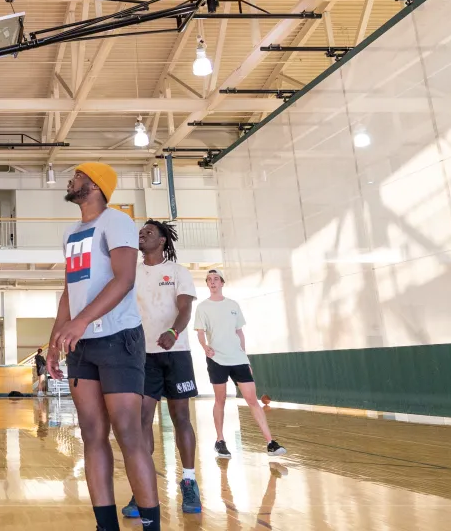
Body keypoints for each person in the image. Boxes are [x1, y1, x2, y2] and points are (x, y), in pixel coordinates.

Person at [47, 163, 160, 531]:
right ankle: (105, 525)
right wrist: (54, 341)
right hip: (82, 345)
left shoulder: (117, 222)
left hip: (118, 338)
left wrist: (81, 321)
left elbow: (125, 280)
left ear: (94, 185)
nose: (71, 180)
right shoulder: (71, 233)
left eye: (78, 175)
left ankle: (150, 524)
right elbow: (69, 291)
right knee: (91, 434)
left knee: (128, 432)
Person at [124, 220, 201, 519]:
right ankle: (141, 487)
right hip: (142, 356)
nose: (142, 235)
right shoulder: (131, 272)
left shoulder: (178, 272)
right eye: (140, 232)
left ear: (163, 240)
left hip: (176, 353)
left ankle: (190, 480)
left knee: (181, 417)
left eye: (149, 232)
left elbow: (185, 309)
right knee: (142, 419)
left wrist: (174, 332)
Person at [194, 270, 285, 459]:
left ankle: (270, 443)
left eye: (216, 279)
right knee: (221, 400)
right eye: (209, 280)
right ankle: (220, 441)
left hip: (238, 360)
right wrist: (205, 347)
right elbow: (200, 332)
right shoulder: (203, 307)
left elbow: (240, 333)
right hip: (216, 359)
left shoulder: (233, 305)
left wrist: (245, 358)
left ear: (222, 282)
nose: (212, 282)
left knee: (252, 400)